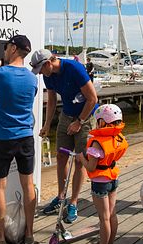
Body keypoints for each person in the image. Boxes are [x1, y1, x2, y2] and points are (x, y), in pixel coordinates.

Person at [0, 35, 38, 244]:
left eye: (6, 47)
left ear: (13, 48)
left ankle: (1, 237)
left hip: (3, 138)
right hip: (25, 138)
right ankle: (30, 234)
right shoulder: (33, 78)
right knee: (28, 185)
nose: (4, 50)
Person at [31, 50, 99, 223]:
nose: (39, 73)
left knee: (80, 160)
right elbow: (52, 100)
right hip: (66, 116)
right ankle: (61, 197)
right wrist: (46, 124)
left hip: (85, 117)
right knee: (61, 156)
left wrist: (79, 122)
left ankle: (74, 202)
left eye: (40, 69)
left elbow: (92, 99)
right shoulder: (49, 75)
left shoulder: (74, 68)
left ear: (48, 63)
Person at [76, 104, 128, 244]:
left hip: (100, 181)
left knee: (103, 217)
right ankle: (110, 243)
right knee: (112, 214)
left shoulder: (97, 142)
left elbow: (91, 168)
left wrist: (81, 158)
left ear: (102, 122)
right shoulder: (117, 137)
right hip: (113, 177)